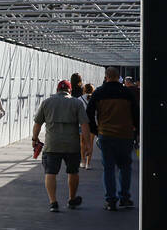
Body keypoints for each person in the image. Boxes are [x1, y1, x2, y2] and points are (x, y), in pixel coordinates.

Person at [32, 80, 90, 213]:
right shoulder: (76, 103)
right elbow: (85, 125)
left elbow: (37, 124)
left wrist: (34, 139)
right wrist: (87, 144)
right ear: (70, 90)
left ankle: (53, 202)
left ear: (57, 90)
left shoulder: (47, 102)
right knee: (73, 171)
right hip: (72, 144)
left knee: (50, 172)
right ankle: (72, 198)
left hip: (52, 144)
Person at [87, 67, 140, 211]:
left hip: (106, 135)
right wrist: (136, 130)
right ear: (119, 77)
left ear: (106, 77)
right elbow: (136, 113)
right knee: (125, 167)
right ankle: (125, 198)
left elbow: (89, 113)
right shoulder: (127, 93)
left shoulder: (98, 92)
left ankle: (110, 201)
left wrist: (95, 130)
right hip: (125, 135)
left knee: (108, 169)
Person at [79, 82, 95, 169]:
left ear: (84, 90)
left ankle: (83, 161)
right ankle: (88, 164)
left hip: (81, 123)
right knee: (91, 143)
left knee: (82, 143)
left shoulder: (79, 99)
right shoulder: (95, 98)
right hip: (92, 123)